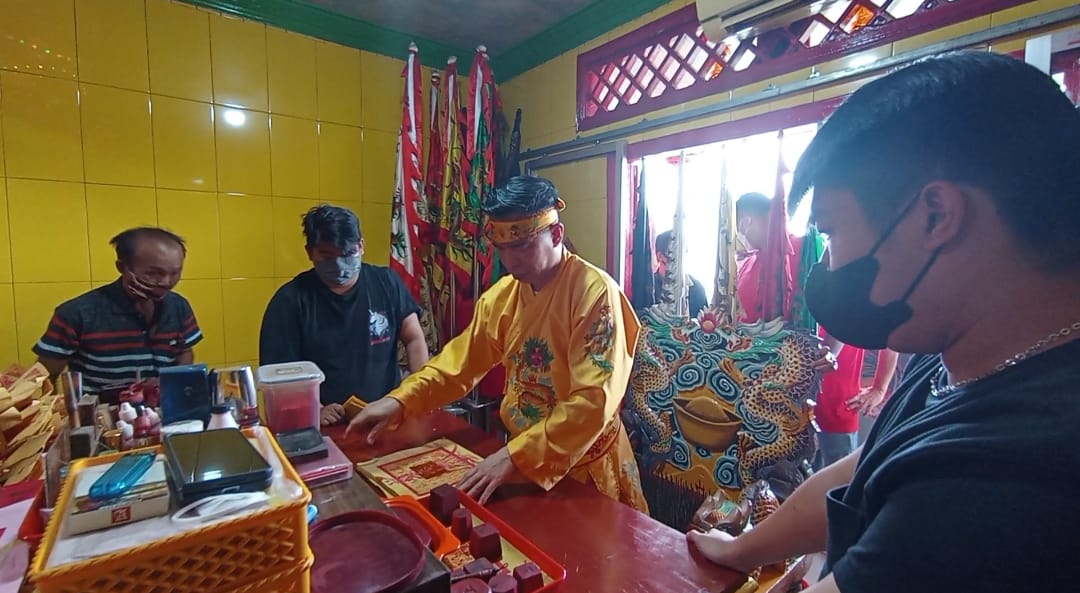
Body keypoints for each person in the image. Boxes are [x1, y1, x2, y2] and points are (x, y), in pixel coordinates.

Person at [688, 51, 1080, 592]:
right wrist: (744, 550)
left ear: (936, 216)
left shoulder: (1011, 479)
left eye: (833, 232)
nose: (826, 269)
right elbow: (861, 471)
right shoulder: (955, 355)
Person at [347, 176, 648, 512]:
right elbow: (456, 368)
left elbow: (594, 402)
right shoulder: (502, 297)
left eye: (521, 246)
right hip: (521, 458)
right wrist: (399, 401)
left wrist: (516, 455)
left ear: (556, 234)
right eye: (502, 247)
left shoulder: (594, 295)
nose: (510, 260)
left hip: (587, 465)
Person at [259, 205, 429, 425]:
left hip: (387, 416)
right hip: (326, 424)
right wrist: (314, 409)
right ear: (310, 252)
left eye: (348, 253)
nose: (339, 265)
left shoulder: (387, 283)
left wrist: (419, 390)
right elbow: (278, 376)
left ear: (361, 246)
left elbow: (413, 337)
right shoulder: (290, 301)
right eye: (326, 255)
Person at [33, 227, 201, 402]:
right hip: (102, 420)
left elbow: (185, 352)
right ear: (122, 267)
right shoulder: (76, 314)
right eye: (153, 273)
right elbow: (43, 378)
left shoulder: (178, 306)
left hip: (165, 415)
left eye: (175, 273)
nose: (166, 282)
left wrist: (171, 380)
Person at [653, 230, 708, 317]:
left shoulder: (696, 288)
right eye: (677, 251)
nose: (682, 256)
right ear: (660, 256)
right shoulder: (648, 287)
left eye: (685, 251)